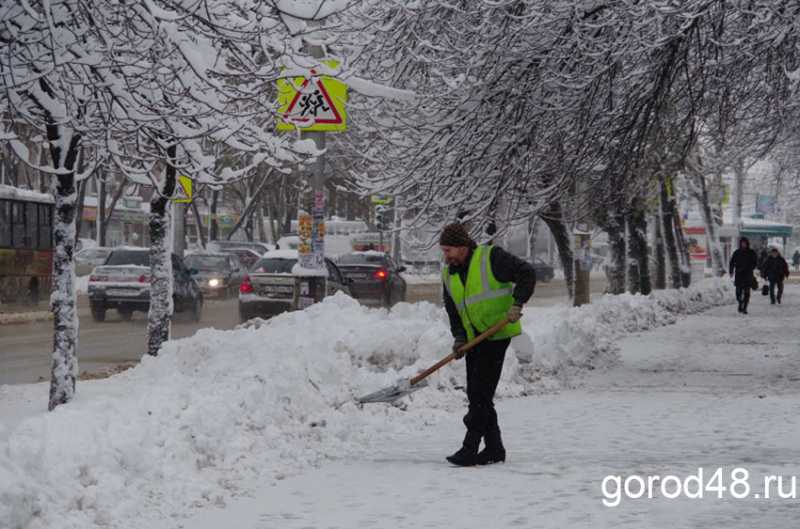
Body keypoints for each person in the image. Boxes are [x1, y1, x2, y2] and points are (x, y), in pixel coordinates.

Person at [440, 222, 536, 466]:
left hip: (497, 334)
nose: (446, 255)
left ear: (463, 247)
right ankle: (494, 448)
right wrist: (460, 338)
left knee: (480, 393)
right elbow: (454, 310)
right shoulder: (449, 274)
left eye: (449, 250)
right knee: (477, 393)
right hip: (474, 339)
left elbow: (526, 272)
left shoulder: (490, 257)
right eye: (443, 250)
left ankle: (469, 448)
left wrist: (517, 304)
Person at [729, 237, 758, 314]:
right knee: (738, 291)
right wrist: (731, 271)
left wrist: (751, 267)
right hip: (739, 274)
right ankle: (740, 302)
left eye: (744, 243)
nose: (743, 245)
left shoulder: (751, 252)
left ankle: (745, 307)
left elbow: (755, 262)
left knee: (746, 292)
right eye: (742, 243)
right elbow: (732, 262)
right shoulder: (737, 253)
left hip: (748, 274)